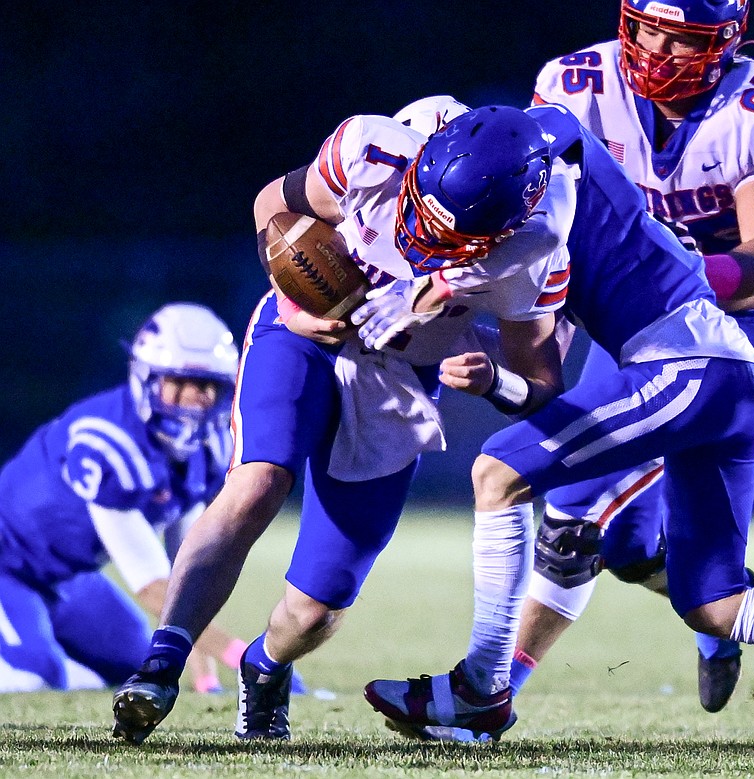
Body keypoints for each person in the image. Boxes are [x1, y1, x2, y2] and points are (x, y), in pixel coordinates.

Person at [363, 101, 754, 756]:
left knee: (497, 471)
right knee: (713, 601)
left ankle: (481, 688)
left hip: (686, 366)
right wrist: (493, 375)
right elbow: (537, 378)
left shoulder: (532, 231)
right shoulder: (548, 140)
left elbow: (519, 330)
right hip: (727, 371)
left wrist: (433, 298)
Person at [111, 101, 574, 744]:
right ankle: (161, 664)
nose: (419, 235)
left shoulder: (534, 244)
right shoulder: (373, 151)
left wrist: (495, 380)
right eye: (419, 209)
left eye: (447, 234)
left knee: (317, 606)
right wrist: (295, 304)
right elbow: (271, 207)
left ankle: (265, 666)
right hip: (302, 335)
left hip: (400, 380)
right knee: (256, 482)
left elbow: (543, 384)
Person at [513, 0, 754, 722]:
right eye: (647, 29)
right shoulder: (576, 85)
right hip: (622, 333)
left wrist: (669, 271)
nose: (655, 49)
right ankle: (726, 601)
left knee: (570, 514)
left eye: (682, 40)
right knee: (622, 546)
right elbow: (544, 226)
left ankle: (491, 691)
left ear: (728, 41)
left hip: (725, 332)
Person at [0, 303, 246, 694]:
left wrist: (205, 678)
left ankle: (55, 658)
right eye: (180, 382)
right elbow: (152, 585)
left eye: (207, 385)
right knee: (35, 675)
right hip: (8, 566)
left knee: (137, 659)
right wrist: (245, 659)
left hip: (69, 578)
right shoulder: (108, 442)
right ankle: (55, 666)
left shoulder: (207, 451)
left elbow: (185, 575)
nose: (195, 399)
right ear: (145, 378)